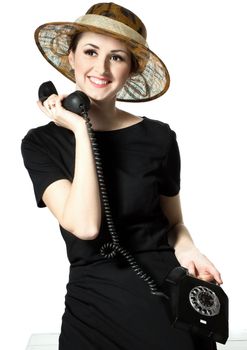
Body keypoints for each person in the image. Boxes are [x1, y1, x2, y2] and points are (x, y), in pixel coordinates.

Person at [21, 2, 222, 349]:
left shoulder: (159, 137)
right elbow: (85, 226)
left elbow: (174, 224)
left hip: (163, 292)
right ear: (71, 57)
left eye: (116, 57)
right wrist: (81, 131)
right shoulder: (41, 143)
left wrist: (191, 249)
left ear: (131, 68)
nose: (101, 67)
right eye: (90, 51)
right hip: (93, 301)